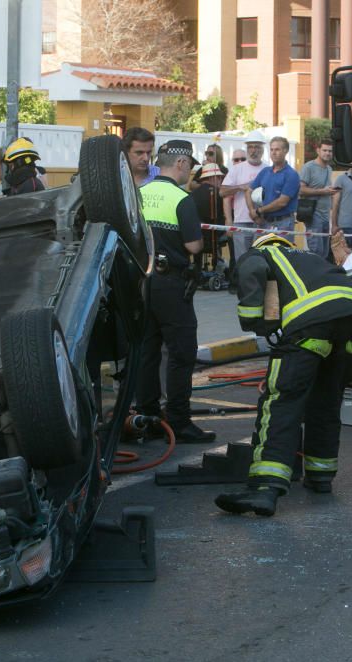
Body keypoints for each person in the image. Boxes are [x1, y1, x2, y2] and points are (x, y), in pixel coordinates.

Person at [214, 233, 352, 516]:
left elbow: (252, 271)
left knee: (281, 401)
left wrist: (253, 322)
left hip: (311, 323)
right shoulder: (309, 258)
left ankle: (264, 489)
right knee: (326, 400)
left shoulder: (263, 254)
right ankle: (320, 477)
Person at [135, 139, 215, 444]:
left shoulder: (140, 193)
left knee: (147, 351)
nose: (190, 173)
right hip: (172, 284)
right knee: (182, 353)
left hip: (143, 283)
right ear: (180, 163)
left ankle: (148, 417)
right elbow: (194, 245)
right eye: (190, 167)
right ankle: (179, 421)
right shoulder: (182, 199)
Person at [220, 131, 269, 263]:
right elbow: (222, 192)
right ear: (247, 149)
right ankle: (242, 284)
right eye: (250, 147)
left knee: (261, 260)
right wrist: (240, 187)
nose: (253, 151)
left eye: (257, 147)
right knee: (242, 261)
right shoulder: (237, 169)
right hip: (241, 221)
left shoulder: (268, 170)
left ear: (263, 150)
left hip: (262, 221)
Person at [246, 136, 300, 235]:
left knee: (280, 251)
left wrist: (258, 211)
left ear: (285, 151)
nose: (273, 153)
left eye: (277, 149)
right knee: (260, 250)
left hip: (283, 223)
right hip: (263, 222)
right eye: (271, 150)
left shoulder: (291, 174)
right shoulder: (265, 171)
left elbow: (282, 202)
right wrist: (252, 212)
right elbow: (249, 191)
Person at [299, 139, 338, 258]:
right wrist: (323, 191)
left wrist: (331, 191)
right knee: (316, 252)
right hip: (313, 215)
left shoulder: (329, 169)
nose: (327, 153)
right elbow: (301, 189)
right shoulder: (309, 167)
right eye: (325, 150)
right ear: (318, 151)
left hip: (325, 215)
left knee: (325, 253)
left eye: (330, 151)